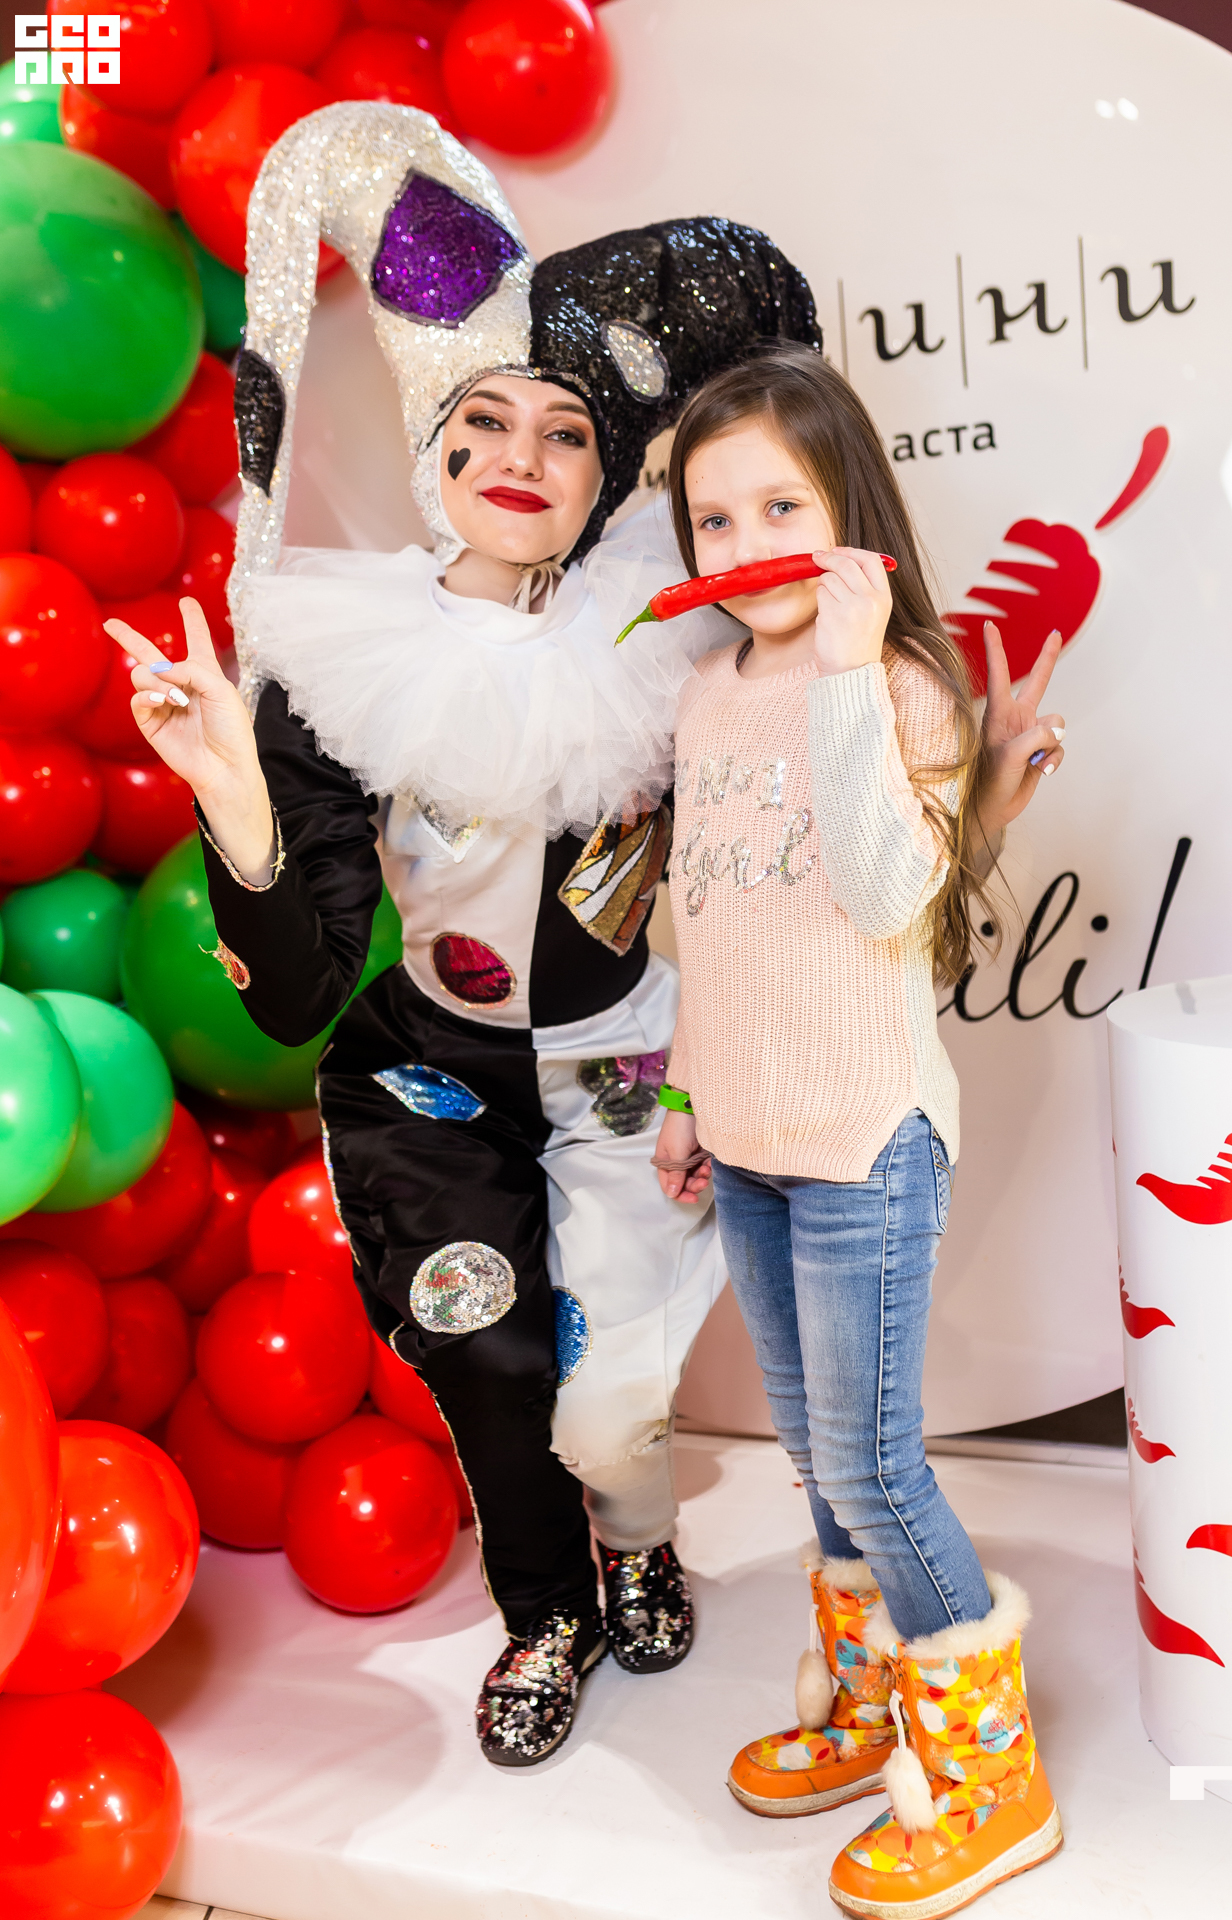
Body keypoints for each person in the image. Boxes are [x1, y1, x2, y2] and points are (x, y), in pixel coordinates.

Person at [110, 101, 1060, 1773]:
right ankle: (545, 1612)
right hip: (435, 1080)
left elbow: (827, 867)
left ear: (607, 475)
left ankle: (641, 1553)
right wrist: (234, 794)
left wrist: (971, 785)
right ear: (435, 454)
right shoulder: (342, 667)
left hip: (635, 1070)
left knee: (619, 1396)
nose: (522, 456)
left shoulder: (682, 653)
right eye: (483, 421)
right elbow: (304, 988)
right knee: (492, 1361)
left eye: (565, 430)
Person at [652, 348, 1064, 1917]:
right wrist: (685, 1098)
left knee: (877, 1467)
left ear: (849, 515)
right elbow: (709, 928)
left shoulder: (903, 690)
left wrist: (842, 671)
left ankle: (993, 1784)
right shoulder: (703, 695)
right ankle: (873, 1704)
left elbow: (890, 897)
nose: (745, 543)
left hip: (866, 1137)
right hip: (751, 1137)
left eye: (781, 506)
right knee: (816, 1459)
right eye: (713, 518)